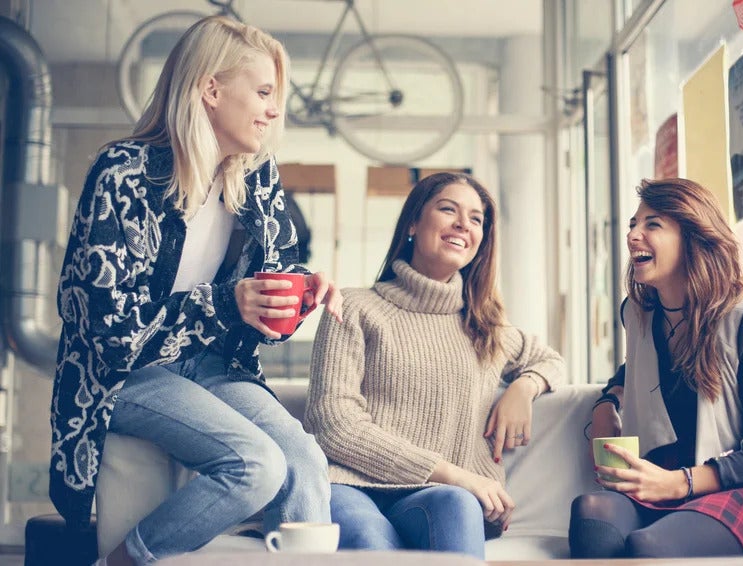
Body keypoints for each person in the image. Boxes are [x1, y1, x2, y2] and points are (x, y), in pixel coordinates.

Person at [49, 16, 342, 566]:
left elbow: (271, 288)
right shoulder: (123, 173)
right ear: (211, 90)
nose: (274, 110)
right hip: (121, 373)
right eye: (262, 92)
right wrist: (226, 302)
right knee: (256, 464)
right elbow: (111, 331)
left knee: (303, 455)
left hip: (211, 365)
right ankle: (122, 561)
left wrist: (302, 290)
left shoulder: (257, 176)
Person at [304, 172, 565, 558]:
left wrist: (524, 388)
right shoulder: (356, 308)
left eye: (476, 219)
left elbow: (550, 360)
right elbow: (333, 422)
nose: (463, 224)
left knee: (457, 505)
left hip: (441, 497)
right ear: (412, 222)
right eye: (448, 209)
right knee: (372, 540)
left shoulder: (485, 327)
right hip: (353, 486)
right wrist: (454, 473)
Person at [571, 178, 743, 558]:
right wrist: (606, 404)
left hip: (736, 488)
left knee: (649, 546)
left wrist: (681, 483)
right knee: (590, 514)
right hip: (658, 480)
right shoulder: (638, 314)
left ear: (693, 236)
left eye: (652, 225)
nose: (633, 235)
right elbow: (636, 370)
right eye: (632, 224)